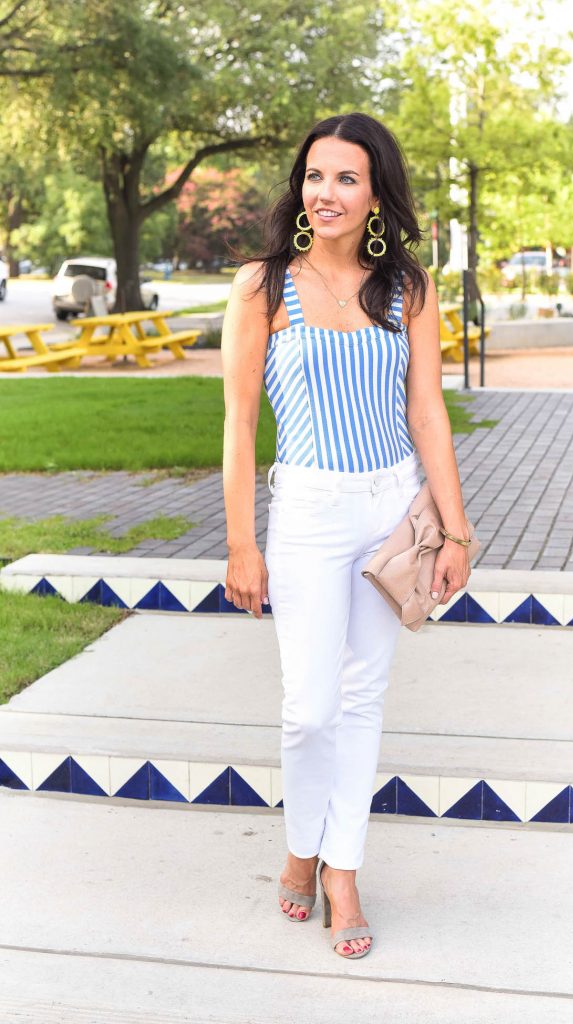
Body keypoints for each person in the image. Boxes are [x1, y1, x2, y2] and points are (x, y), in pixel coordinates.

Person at [221, 112, 472, 960]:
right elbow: (239, 421)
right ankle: (300, 846)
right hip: (308, 514)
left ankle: (340, 871)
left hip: (392, 510)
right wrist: (240, 543)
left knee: (363, 700)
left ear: (375, 195)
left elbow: (427, 412)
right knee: (309, 707)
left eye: (346, 179)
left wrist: (456, 531)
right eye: (315, 176)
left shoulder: (407, 287)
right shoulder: (263, 285)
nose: (325, 193)